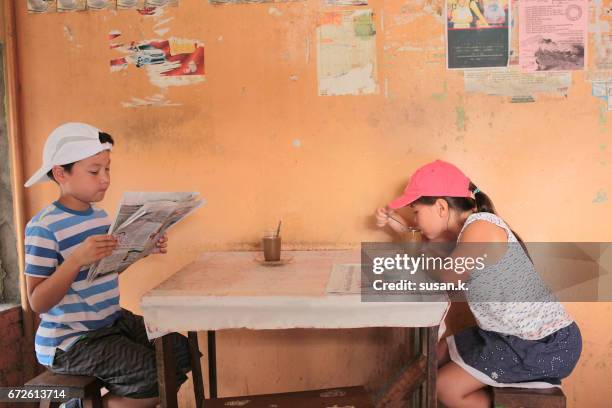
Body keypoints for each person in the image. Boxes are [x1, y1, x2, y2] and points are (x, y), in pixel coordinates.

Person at [375, 159, 581, 408]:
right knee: (436, 352)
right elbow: (434, 255)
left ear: (441, 207)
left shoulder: (481, 228)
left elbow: (448, 276)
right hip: (504, 335)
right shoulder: (467, 234)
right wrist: (402, 229)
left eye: (416, 212)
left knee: (446, 388)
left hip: (542, 343)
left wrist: (414, 245)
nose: (415, 221)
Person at [24, 122, 195, 408]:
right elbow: (37, 302)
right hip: (71, 340)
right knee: (156, 377)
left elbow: (105, 271)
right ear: (60, 173)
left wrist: (141, 250)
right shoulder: (44, 227)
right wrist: (76, 259)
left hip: (110, 320)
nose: (105, 179)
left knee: (181, 352)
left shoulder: (100, 218)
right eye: (94, 171)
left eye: (107, 169)